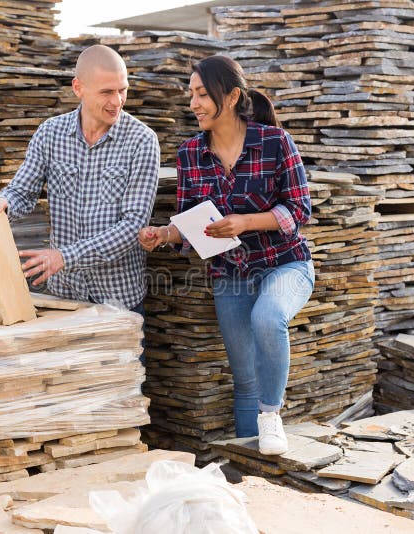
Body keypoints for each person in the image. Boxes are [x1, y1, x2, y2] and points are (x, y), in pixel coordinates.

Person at [138, 55, 314, 455]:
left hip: (287, 264)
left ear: (232, 96)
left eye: (202, 94)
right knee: (244, 381)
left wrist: (245, 222)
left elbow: (300, 210)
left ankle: (271, 417)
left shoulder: (275, 142)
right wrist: (163, 233)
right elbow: (189, 220)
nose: (193, 104)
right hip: (230, 274)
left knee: (268, 317)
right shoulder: (190, 154)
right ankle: (247, 473)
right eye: (191, 95)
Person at [0, 45, 160, 315]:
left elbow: (132, 225)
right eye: (106, 92)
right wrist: (3, 202)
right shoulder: (50, 134)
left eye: (122, 90)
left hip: (117, 299)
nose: (117, 101)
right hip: (63, 295)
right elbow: (22, 190)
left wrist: (66, 257)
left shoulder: (142, 141)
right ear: (78, 88)